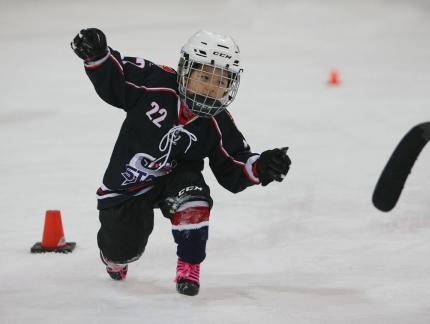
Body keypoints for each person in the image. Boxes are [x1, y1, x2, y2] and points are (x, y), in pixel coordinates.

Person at [71, 28, 291, 296]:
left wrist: (261, 167)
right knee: (124, 249)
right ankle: (114, 258)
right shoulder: (155, 82)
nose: (212, 87)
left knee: (194, 201)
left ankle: (189, 266)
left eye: (221, 81)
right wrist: (98, 55)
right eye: (205, 76)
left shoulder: (217, 121)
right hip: (128, 183)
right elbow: (118, 79)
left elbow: (233, 162)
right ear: (186, 70)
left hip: (176, 180)